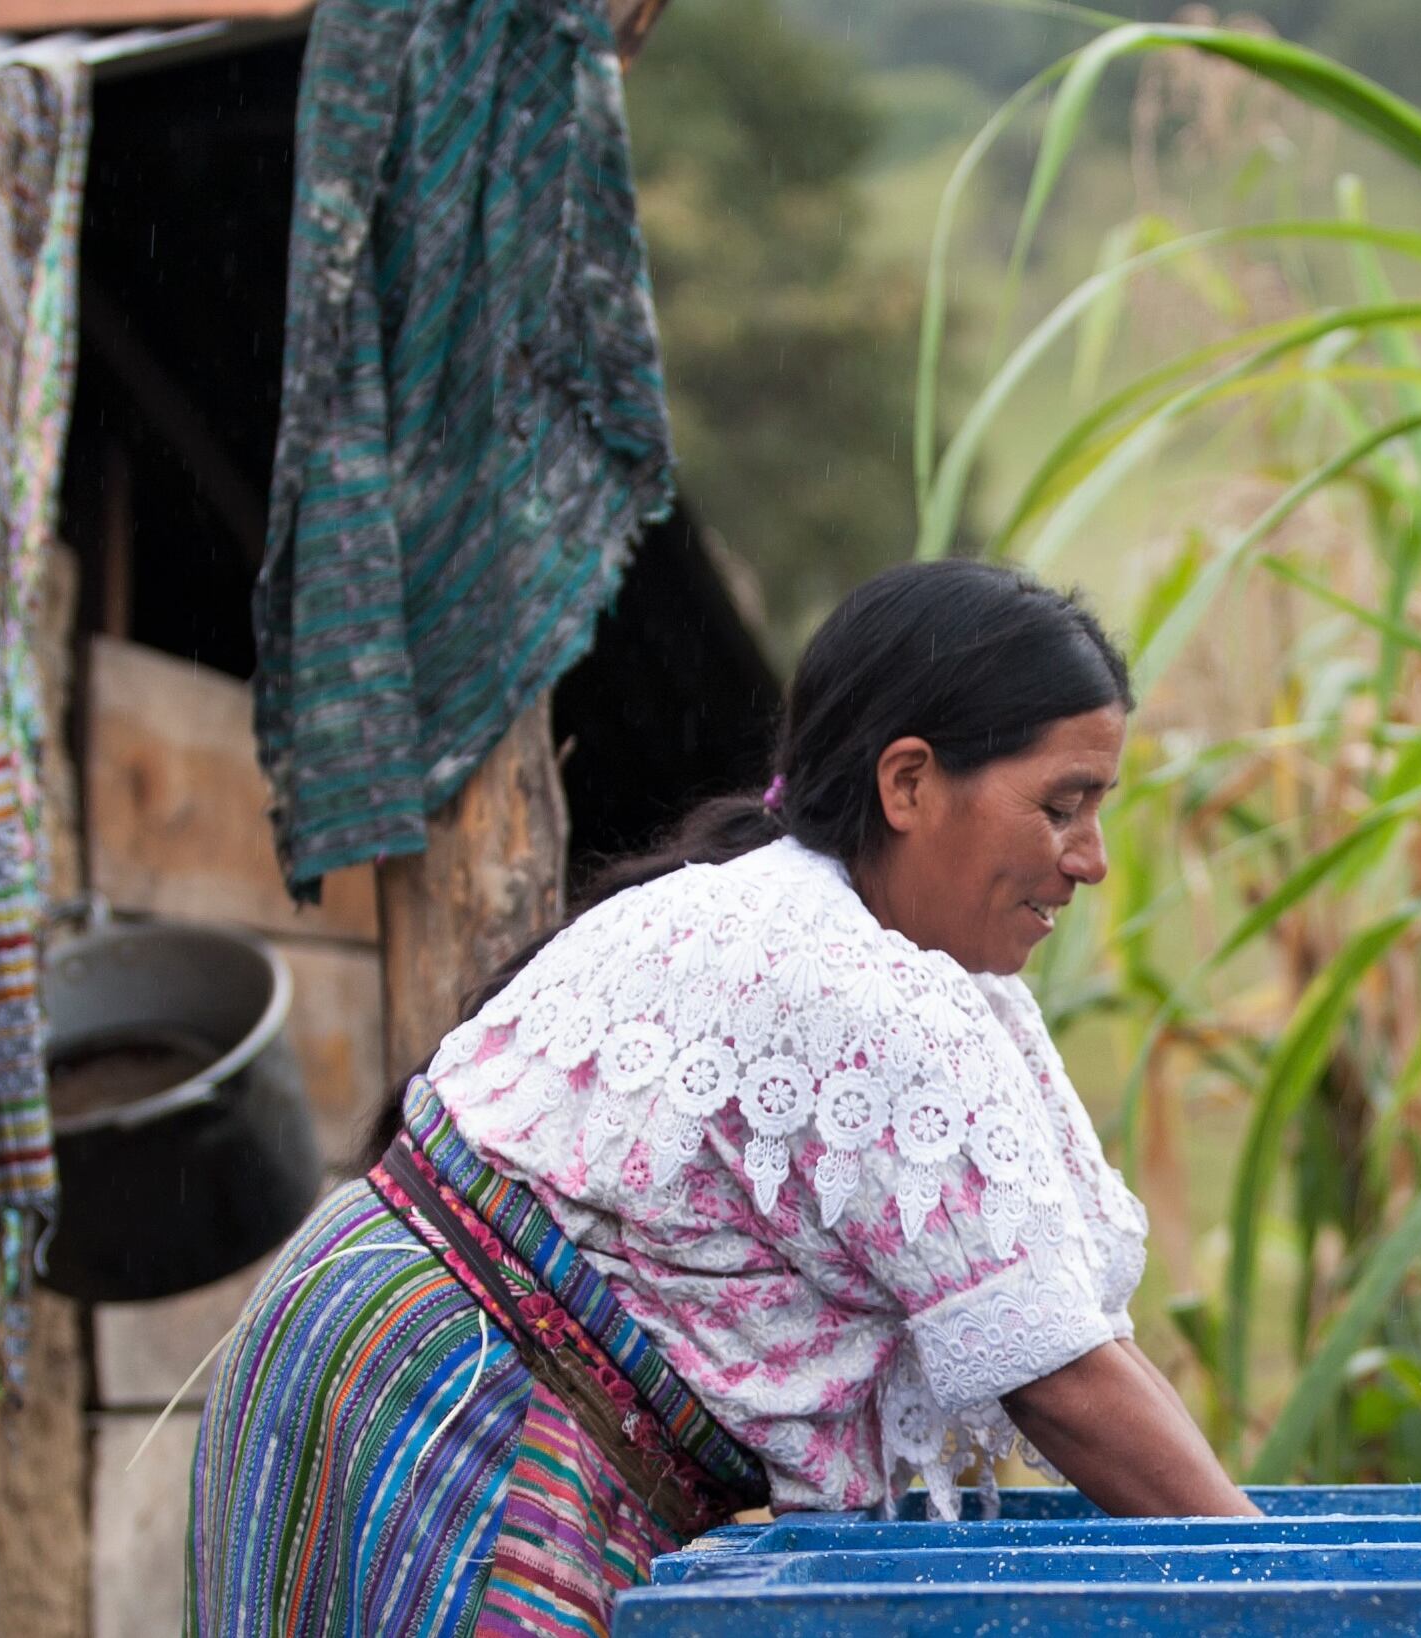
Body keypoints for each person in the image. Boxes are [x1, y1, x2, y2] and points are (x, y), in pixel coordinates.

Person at [187, 560, 1255, 1638]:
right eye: (1059, 806)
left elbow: (1062, 1336)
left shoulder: (852, 944)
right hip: (439, 1412)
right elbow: (1058, 1379)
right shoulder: (851, 986)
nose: (1091, 861)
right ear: (910, 783)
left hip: (397, 1362)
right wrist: (1284, 1593)